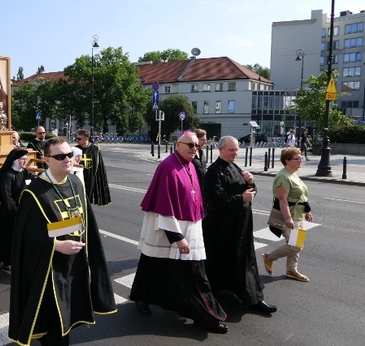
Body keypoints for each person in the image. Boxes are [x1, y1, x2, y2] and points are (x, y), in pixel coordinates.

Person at [8, 136, 116, 345]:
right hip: (50, 269)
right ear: (46, 160)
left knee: (69, 315)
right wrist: (56, 244)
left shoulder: (76, 182)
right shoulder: (34, 193)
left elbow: (80, 221)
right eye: (60, 156)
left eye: (69, 154)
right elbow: (25, 237)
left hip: (75, 263)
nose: (67, 159)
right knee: (54, 324)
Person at [129, 131, 228, 334]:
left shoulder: (190, 164)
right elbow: (163, 205)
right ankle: (207, 317)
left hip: (189, 226)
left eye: (197, 146)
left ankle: (142, 297)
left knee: (156, 265)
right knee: (188, 272)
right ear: (177, 145)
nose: (194, 149)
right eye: (190, 145)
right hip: (169, 228)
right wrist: (177, 237)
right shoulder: (167, 167)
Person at [202, 136, 277, 314]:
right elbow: (214, 200)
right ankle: (218, 293)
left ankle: (253, 298)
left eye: (236, 150)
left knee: (245, 261)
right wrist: (240, 198)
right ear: (220, 149)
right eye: (231, 150)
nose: (235, 153)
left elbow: (250, 193)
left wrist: (251, 183)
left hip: (241, 225)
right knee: (222, 260)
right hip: (223, 228)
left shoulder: (235, 167)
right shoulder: (214, 171)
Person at [263, 147, 313, 282]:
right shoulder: (283, 176)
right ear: (287, 161)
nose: (300, 161)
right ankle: (269, 257)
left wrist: (307, 211)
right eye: (297, 159)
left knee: (297, 244)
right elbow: (282, 199)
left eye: (300, 158)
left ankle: (291, 269)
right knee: (294, 245)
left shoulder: (293, 174)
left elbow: (301, 195)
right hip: (290, 215)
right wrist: (287, 218)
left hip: (299, 215)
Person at [0, 148, 33, 271]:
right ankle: (7, 261)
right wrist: (15, 211)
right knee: (9, 237)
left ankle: (19, 258)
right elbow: (7, 196)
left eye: (26, 159)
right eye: (22, 159)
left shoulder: (24, 172)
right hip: (10, 212)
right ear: (15, 160)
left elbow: (33, 184)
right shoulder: (8, 175)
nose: (25, 162)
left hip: (22, 211)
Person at [75, 129, 111, 206]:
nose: (77, 140)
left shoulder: (95, 149)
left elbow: (99, 165)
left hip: (90, 177)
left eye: (79, 139)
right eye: (76, 138)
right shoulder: (76, 149)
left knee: (88, 200)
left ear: (86, 138)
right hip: (79, 177)